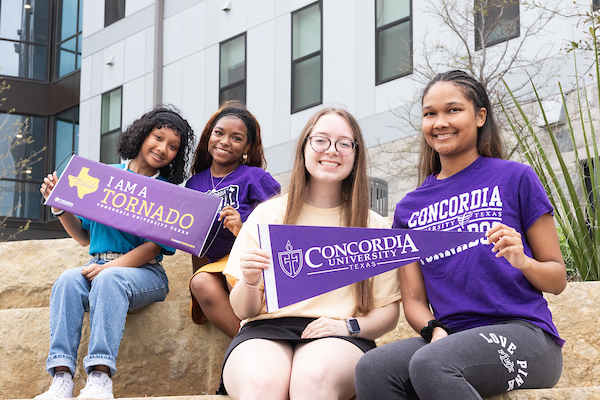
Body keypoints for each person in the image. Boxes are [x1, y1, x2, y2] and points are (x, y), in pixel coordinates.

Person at [355, 70, 566, 400]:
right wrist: (433, 329)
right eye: (430, 114)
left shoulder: (515, 178)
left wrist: (523, 261)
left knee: (432, 363)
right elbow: (413, 300)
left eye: (453, 110)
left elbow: (557, 279)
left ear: (480, 116)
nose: (440, 122)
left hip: (525, 336)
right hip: (451, 338)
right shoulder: (409, 208)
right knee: (373, 369)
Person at [218, 108, 402, 400]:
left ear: (356, 155)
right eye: (321, 140)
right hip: (263, 331)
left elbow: (389, 314)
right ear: (304, 146)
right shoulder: (268, 214)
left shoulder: (374, 225)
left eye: (344, 143)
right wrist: (251, 281)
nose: (332, 150)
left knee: (312, 381)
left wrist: (348, 326)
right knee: (262, 384)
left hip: (341, 334)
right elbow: (243, 311)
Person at [36, 106, 195, 399]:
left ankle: (99, 378)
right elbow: (84, 238)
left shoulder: (167, 193)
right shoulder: (102, 176)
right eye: (158, 138)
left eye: (173, 146)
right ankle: (61, 379)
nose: (163, 149)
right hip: (97, 264)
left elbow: (153, 248)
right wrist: (59, 206)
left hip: (145, 274)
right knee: (67, 281)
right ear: (142, 135)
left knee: (110, 281)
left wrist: (110, 269)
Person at [186, 101, 280, 338]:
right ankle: (248, 344)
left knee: (235, 276)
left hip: (249, 261)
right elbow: (194, 245)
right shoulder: (193, 185)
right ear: (209, 136)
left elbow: (281, 225)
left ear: (247, 146)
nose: (225, 141)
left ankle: (258, 342)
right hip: (215, 266)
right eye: (219, 133)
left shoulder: (255, 177)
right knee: (199, 283)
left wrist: (242, 228)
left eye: (236, 138)